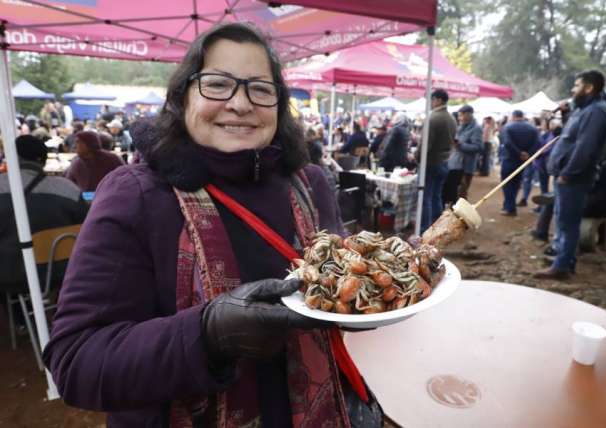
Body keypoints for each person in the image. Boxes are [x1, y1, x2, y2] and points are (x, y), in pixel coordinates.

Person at [44, 23, 380, 427]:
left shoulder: (310, 182)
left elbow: (338, 281)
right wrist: (207, 335)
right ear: (182, 96)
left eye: (260, 89)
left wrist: (373, 289)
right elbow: (75, 362)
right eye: (217, 84)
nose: (240, 104)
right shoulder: (136, 194)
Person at [535, 70, 606, 280]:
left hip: (574, 178)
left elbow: (585, 148)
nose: (572, 90)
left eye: (577, 86)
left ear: (589, 88)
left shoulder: (597, 112)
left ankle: (562, 266)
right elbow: (571, 136)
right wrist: (565, 113)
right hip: (568, 176)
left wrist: (568, 173)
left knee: (568, 223)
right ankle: (563, 258)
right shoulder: (585, 109)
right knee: (563, 220)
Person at [0, 135, 88, 294]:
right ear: (44, 160)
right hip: (61, 273)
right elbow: (86, 229)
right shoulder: (68, 189)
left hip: (10, 274)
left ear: (12, 158)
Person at [419, 89, 457, 231]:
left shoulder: (433, 118)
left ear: (438, 100)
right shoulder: (452, 118)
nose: (431, 103)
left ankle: (425, 229)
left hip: (430, 162)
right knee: (436, 196)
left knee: (426, 198)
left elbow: (425, 145)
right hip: (444, 161)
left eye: (432, 100)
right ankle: (437, 227)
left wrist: (416, 157)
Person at [498, 110, 539, 216]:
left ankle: (510, 207)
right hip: (523, 161)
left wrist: (519, 153)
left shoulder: (508, 127)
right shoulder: (533, 128)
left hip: (510, 159)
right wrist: (527, 154)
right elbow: (537, 143)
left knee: (507, 183)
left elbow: (507, 143)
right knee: (516, 183)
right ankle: (509, 205)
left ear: (513, 116)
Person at [444, 105, 482, 203]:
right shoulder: (461, 126)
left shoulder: (476, 128)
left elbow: (478, 147)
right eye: (459, 115)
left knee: (461, 194)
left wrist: (460, 145)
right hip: (454, 165)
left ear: (469, 114)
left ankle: (460, 212)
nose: (459, 118)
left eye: (461, 115)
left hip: (466, 166)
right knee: (452, 192)